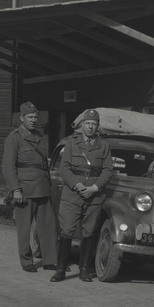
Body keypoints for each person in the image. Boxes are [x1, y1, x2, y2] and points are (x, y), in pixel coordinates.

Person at [53, 108, 113, 283]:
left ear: (97, 126)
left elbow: (108, 170)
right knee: (66, 231)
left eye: (94, 124)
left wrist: (95, 188)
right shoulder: (71, 143)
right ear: (82, 125)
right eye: (88, 124)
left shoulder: (104, 146)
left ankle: (84, 269)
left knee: (89, 232)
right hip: (72, 194)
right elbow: (64, 168)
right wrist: (77, 185)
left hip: (93, 195)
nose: (90, 127)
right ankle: (60, 269)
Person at [1, 101, 57, 273]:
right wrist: (15, 189)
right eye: (30, 117)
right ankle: (27, 261)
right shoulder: (14, 138)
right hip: (25, 190)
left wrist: (48, 187)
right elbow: (8, 166)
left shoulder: (39, 137)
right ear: (22, 118)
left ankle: (49, 260)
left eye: (35, 117)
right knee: (24, 229)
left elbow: (43, 166)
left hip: (42, 188)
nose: (33, 120)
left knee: (48, 226)